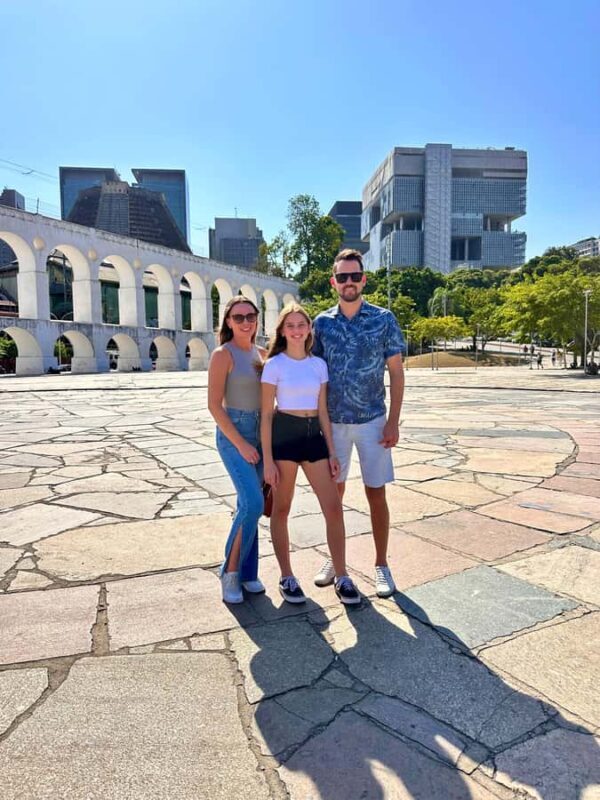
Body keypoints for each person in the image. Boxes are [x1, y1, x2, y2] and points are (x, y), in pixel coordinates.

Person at [312, 249, 406, 598]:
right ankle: (336, 562)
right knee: (332, 495)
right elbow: (314, 375)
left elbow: (396, 373)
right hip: (334, 425)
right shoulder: (321, 324)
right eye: (342, 277)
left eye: (354, 276)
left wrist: (393, 421)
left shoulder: (384, 319)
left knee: (375, 493)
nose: (348, 282)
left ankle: (381, 564)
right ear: (333, 281)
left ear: (364, 279)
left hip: (372, 422)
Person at [261, 303, 360, 606]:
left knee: (333, 507)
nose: (296, 330)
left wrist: (331, 451)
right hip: (285, 436)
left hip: (313, 435)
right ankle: (287, 576)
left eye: (301, 324)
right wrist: (267, 460)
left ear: (309, 329)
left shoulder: (318, 365)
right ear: (282, 330)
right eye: (289, 325)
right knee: (282, 508)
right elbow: (266, 415)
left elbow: (323, 412)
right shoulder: (274, 364)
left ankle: (342, 576)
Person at [208, 295, 266, 604]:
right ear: (228, 322)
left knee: (249, 504)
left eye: (250, 316)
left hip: (261, 433)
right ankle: (229, 572)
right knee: (253, 502)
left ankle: (247, 572)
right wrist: (241, 443)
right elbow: (214, 406)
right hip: (234, 434)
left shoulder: (262, 354)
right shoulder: (223, 354)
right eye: (238, 317)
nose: (245, 322)